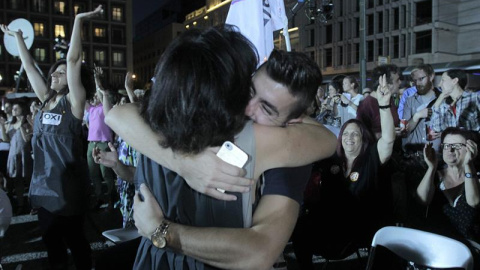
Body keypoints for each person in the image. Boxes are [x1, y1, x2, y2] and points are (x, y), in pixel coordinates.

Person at [106, 27, 336, 270]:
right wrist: (184, 163)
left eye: (267, 109)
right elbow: (118, 115)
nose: (248, 108)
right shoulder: (171, 124)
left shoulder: (155, 122)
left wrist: (161, 230)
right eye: (248, 90)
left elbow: (260, 251)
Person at [0, 6, 101, 269]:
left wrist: (78, 21)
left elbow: (72, 60)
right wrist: (18, 38)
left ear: (70, 80)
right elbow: (29, 66)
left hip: (69, 191)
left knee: (77, 244)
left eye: (59, 73)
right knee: (53, 248)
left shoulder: (74, 104)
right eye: (53, 73)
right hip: (44, 190)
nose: (53, 75)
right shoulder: (45, 101)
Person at [292, 74, 396, 270]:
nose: (349, 138)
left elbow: (389, 140)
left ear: (363, 139)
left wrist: (384, 106)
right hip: (330, 226)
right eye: (345, 134)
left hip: (359, 229)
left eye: (355, 134)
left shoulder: (371, 159)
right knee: (300, 227)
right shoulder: (332, 160)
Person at [416, 127, 479, 243]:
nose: (450, 150)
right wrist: (431, 167)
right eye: (446, 145)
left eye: (457, 146)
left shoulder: (476, 178)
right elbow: (422, 200)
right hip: (437, 243)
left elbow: (474, 201)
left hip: (469, 247)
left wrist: (468, 164)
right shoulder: (435, 176)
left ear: (470, 148)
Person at [87, 64, 116, 210]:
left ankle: (111, 197)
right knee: (94, 174)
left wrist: (97, 79)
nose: (94, 97)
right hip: (92, 144)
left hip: (105, 143)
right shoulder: (91, 109)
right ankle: (98, 197)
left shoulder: (105, 107)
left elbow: (100, 92)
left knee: (106, 174)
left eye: (96, 96)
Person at [1, 102, 33, 215]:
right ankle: (21, 204)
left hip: (24, 153)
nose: (13, 110)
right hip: (13, 154)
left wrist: (21, 127)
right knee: (17, 181)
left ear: (21, 109)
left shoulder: (26, 122)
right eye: (13, 109)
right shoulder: (10, 123)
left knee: (28, 180)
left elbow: (26, 140)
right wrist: (2, 125)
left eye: (16, 108)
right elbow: (5, 139)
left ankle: (32, 203)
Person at [357, 64, 402, 140]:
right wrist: (384, 134)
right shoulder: (366, 105)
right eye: (397, 80)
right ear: (386, 84)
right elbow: (361, 135)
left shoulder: (389, 99)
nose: (400, 82)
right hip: (377, 151)